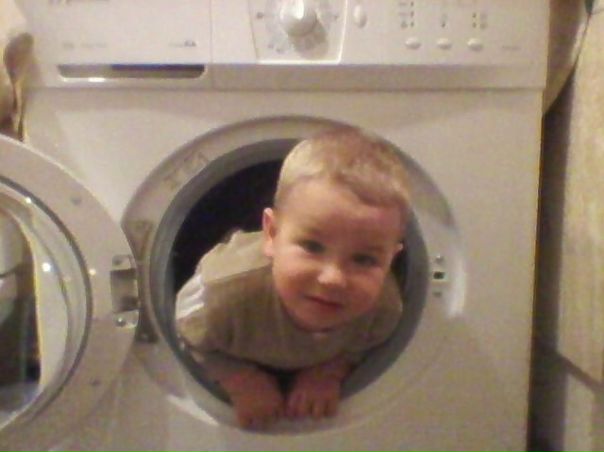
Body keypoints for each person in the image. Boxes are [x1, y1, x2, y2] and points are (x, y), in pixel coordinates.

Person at [175, 126, 411, 429]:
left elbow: (361, 344)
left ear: (391, 259)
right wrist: (240, 379)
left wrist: (329, 371)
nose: (333, 278)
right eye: (312, 247)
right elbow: (187, 330)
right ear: (272, 234)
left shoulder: (384, 309)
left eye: (364, 259)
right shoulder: (222, 297)